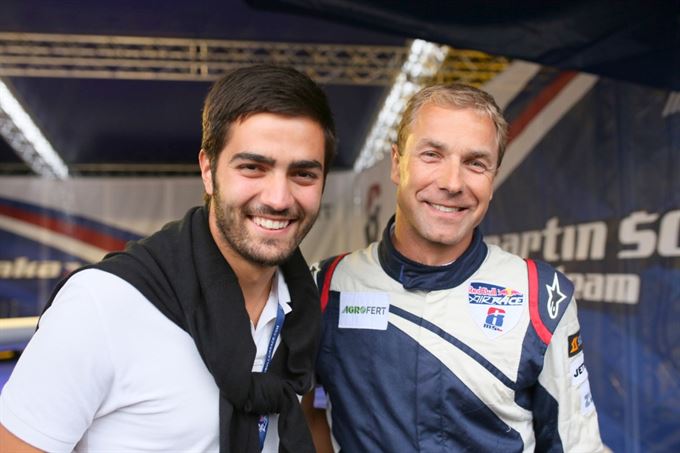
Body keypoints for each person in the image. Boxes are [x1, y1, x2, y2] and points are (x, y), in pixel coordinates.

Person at [0, 64, 336, 453]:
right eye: (253, 168)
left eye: (303, 174)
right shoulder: (101, 304)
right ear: (208, 170)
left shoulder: (301, 310)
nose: (278, 198)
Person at [304, 83, 605, 452]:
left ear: (492, 179)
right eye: (432, 155)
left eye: (475, 163)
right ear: (397, 164)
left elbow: (577, 445)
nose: (452, 183)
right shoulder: (325, 286)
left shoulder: (541, 297)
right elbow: (302, 413)